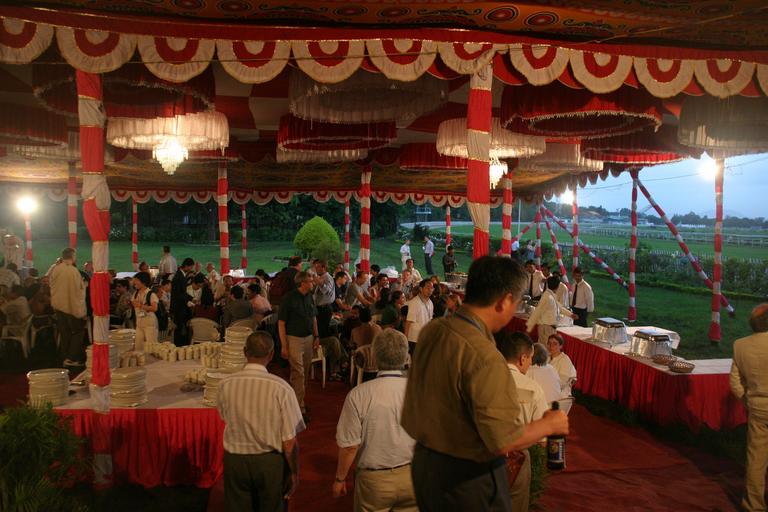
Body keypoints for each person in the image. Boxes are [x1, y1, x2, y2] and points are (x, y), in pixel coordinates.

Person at [401, 256, 568, 512]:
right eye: (516, 303)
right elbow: (502, 439)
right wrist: (548, 425)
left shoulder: (433, 331)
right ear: (504, 301)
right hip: (466, 480)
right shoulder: (484, 356)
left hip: (425, 464)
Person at [217, 331, 305, 512]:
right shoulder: (281, 388)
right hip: (269, 463)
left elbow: (224, 417)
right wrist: (294, 472)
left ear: (244, 352)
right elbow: (289, 442)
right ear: (271, 355)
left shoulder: (225, 384)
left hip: (235, 461)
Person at [333, 329, 417, 511]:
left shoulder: (358, 394)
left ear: (375, 357)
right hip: (413, 475)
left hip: (374, 481)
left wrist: (340, 478)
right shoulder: (420, 390)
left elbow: (350, 446)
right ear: (406, 357)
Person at [495, 330, 549, 511]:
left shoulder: (482, 379)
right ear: (522, 358)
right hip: (516, 457)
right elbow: (543, 439)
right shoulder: (533, 388)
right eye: (530, 358)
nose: (531, 363)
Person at [729, 303, 768, 512]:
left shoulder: (740, 345)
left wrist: (748, 402)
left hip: (757, 407)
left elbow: (735, 382)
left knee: (756, 459)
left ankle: (754, 505)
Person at [278, 271, 319, 421]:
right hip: (294, 338)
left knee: (305, 372)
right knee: (298, 373)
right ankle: (298, 409)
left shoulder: (310, 297)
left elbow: (313, 317)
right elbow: (281, 323)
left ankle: (298, 400)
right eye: (310, 281)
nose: (313, 283)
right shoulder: (288, 298)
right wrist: (284, 345)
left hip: (308, 338)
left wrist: (316, 336)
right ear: (302, 283)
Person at [49, 248, 87, 368]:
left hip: (58, 306)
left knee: (65, 333)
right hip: (71, 306)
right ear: (72, 256)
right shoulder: (73, 271)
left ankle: (64, 357)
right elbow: (78, 290)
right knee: (78, 332)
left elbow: (51, 284)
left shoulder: (55, 268)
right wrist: (85, 285)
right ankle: (72, 358)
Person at [526, 276, 577, 345]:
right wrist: (529, 328)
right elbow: (537, 312)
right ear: (558, 286)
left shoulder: (551, 296)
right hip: (546, 328)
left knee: (547, 348)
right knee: (546, 348)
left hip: (549, 328)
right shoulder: (547, 297)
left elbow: (560, 307)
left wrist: (571, 314)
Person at [131, 271, 158, 352]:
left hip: (149, 323)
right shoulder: (136, 293)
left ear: (143, 282)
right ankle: (140, 359)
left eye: (136, 280)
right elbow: (133, 303)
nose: (134, 282)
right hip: (139, 323)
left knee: (151, 347)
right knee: (138, 347)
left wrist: (141, 306)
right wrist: (134, 304)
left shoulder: (151, 294)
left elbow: (154, 308)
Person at [404, 279, 433, 354]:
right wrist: (405, 340)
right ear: (421, 289)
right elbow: (408, 322)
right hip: (414, 339)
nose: (430, 290)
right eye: (427, 288)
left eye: (431, 288)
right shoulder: (414, 302)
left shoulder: (430, 302)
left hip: (424, 338)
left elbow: (430, 320)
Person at [171, 257, 195, 346]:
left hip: (181, 305)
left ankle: (182, 345)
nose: (191, 269)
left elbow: (182, 292)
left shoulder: (181, 275)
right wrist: (187, 301)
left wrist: (191, 298)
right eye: (191, 267)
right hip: (179, 307)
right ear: (187, 266)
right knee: (180, 328)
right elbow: (177, 293)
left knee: (181, 327)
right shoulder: (178, 276)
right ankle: (180, 346)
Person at [313, 259, 335, 338]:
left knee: (322, 331)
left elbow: (329, 292)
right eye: (315, 267)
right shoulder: (320, 277)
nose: (316, 269)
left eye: (318, 267)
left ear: (324, 267)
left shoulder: (328, 278)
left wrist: (321, 284)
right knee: (319, 330)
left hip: (324, 308)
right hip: (319, 308)